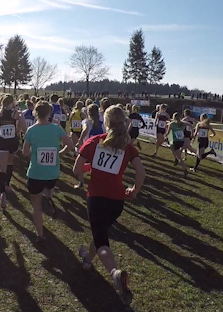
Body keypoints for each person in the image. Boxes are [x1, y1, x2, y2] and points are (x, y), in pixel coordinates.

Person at [73, 104, 145, 306]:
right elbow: (141, 174)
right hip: (117, 202)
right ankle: (88, 259)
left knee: (102, 241)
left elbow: (76, 169)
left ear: (105, 122)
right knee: (100, 232)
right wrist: (134, 191)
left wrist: (89, 167)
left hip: (96, 199)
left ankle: (115, 273)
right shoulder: (128, 148)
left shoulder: (94, 142)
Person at [22, 101, 74, 243]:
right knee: (49, 187)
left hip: (35, 174)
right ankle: (49, 197)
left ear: (35, 113)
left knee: (36, 206)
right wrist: (59, 154)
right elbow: (70, 145)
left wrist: (35, 151)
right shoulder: (57, 129)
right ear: (49, 113)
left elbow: (25, 152)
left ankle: (40, 234)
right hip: (52, 174)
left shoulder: (31, 130)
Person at [0, 94, 21, 209]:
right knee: (10, 163)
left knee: (2, 168)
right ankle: (7, 184)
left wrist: (0, 127)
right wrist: (17, 129)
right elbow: (23, 127)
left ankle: (2, 193)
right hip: (13, 142)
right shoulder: (16, 113)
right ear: (12, 102)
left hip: (2, 143)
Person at [165, 113, 190, 177]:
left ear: (173, 117)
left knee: (180, 158)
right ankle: (176, 158)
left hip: (176, 141)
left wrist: (165, 137)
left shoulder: (172, 124)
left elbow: (167, 133)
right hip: (182, 141)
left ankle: (185, 170)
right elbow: (189, 124)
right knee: (171, 146)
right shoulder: (182, 124)